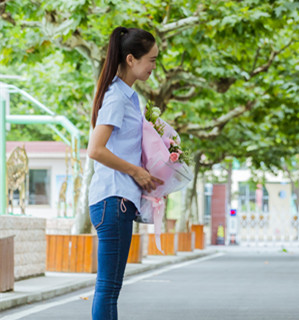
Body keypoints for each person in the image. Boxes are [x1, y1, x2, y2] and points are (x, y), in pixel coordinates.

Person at [87, 27, 162, 320]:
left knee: (111, 288)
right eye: (151, 60)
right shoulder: (117, 97)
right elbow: (96, 149)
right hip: (112, 199)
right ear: (131, 59)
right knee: (108, 288)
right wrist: (137, 172)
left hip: (116, 200)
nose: (155, 66)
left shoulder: (126, 96)